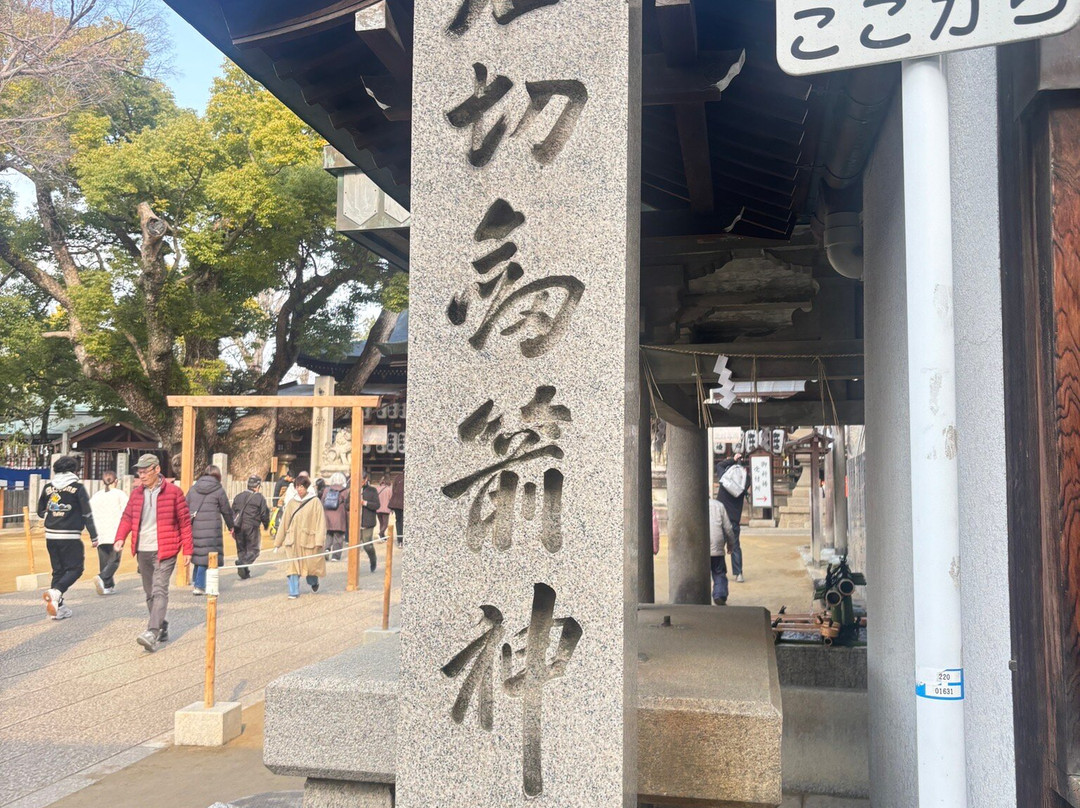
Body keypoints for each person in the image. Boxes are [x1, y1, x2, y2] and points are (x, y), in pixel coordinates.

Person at [115, 454, 193, 652]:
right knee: (149, 593)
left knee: (159, 590)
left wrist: (187, 550)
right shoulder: (136, 494)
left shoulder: (174, 492)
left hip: (165, 549)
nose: (141, 475)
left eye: (144, 471)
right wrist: (120, 537)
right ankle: (162, 626)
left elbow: (184, 522)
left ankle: (151, 631)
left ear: (157, 470)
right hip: (143, 549)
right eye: (139, 472)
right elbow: (127, 517)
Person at [37, 455, 97, 620]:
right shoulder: (77, 487)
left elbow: (40, 510)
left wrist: (51, 514)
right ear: (74, 470)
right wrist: (94, 536)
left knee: (58, 570)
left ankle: (59, 608)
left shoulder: (49, 487)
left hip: (50, 535)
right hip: (70, 535)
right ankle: (56, 592)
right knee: (76, 569)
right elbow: (87, 513)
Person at [274, 474, 327, 599]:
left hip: (308, 540)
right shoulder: (292, 502)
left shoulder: (315, 502)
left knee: (310, 568)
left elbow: (320, 522)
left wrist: (319, 540)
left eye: (302, 486)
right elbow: (284, 523)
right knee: (293, 567)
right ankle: (293, 591)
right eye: (297, 486)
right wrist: (278, 542)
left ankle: (313, 582)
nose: (299, 489)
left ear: (307, 487)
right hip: (293, 541)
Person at [186, 465, 235, 596]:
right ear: (217, 476)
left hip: (196, 526)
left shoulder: (193, 489)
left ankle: (196, 580)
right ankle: (200, 585)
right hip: (212, 528)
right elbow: (226, 511)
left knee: (199, 553)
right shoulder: (218, 490)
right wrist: (231, 526)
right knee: (207, 557)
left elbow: (185, 507)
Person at [89, 470, 128, 595]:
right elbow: (126, 512)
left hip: (99, 531)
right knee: (114, 560)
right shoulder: (120, 494)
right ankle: (102, 577)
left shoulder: (96, 496)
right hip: (115, 531)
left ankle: (107, 586)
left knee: (104, 559)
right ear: (116, 481)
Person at [716, 453, 749, 583]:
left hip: (721, 517)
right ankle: (738, 573)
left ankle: (719, 572)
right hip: (734, 519)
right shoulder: (745, 481)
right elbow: (747, 476)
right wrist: (739, 465)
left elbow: (719, 465)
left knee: (718, 547)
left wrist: (732, 460)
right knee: (735, 546)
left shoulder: (724, 477)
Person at [232, 476, 270, 579]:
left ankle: (244, 571)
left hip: (238, 526)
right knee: (254, 550)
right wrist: (266, 524)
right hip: (252, 526)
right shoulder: (259, 498)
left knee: (241, 549)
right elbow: (264, 514)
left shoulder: (238, 496)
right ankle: (243, 563)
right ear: (257, 486)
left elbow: (233, 511)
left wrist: (231, 527)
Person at [320, 472, 350, 561]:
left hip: (328, 516)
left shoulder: (326, 490)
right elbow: (347, 505)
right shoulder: (345, 491)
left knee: (329, 534)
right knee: (338, 536)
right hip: (339, 516)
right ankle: (335, 556)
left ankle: (327, 549)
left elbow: (322, 502)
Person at [709, 492, 729, 606]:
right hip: (717, 544)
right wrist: (731, 543)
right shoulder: (719, 505)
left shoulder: (692, 506)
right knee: (719, 571)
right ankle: (719, 594)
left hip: (698, 545)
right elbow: (728, 527)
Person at [359, 471, 381, 572]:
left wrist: (365, 503)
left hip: (368, 521)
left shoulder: (372, 490)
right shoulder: (353, 489)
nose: (361, 482)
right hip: (355, 522)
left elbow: (377, 505)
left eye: (362, 480)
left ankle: (373, 560)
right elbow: (347, 505)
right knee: (353, 546)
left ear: (366, 479)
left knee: (367, 545)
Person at [389, 470, 404, 546]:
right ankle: (402, 539)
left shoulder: (397, 477)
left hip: (396, 503)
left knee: (399, 521)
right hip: (404, 503)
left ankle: (400, 541)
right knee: (403, 521)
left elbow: (393, 490)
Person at [375, 473, 392, 539]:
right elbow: (390, 499)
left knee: (381, 523)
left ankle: (382, 536)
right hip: (386, 508)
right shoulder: (389, 489)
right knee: (385, 524)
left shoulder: (377, 489)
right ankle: (380, 533)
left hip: (378, 508)